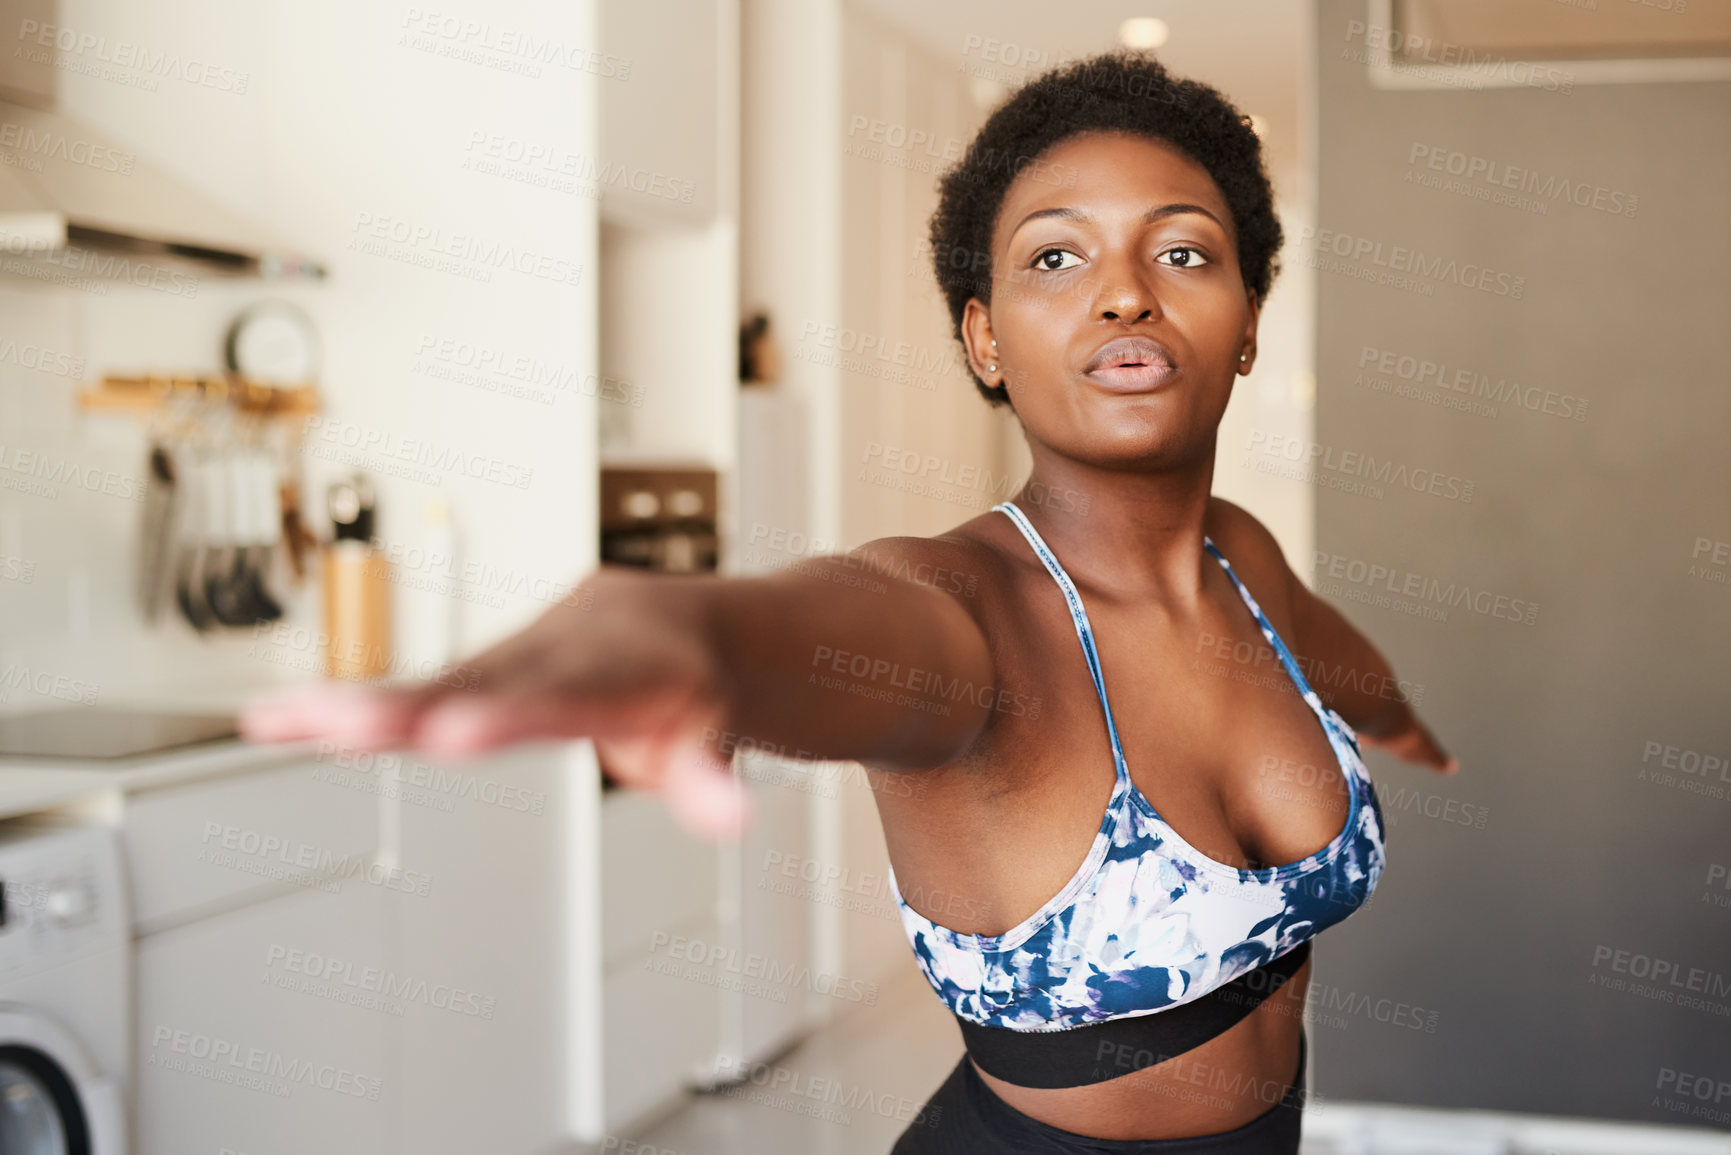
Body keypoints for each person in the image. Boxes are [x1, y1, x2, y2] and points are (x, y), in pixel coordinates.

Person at [241, 50, 1455, 1155]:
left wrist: (1394, 719)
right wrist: (688, 633)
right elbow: (844, 627)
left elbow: (1315, 631)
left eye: (1182, 251)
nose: (1126, 293)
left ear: (1246, 323)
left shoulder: (1239, 556)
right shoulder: (968, 604)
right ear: (984, 341)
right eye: (1055, 256)